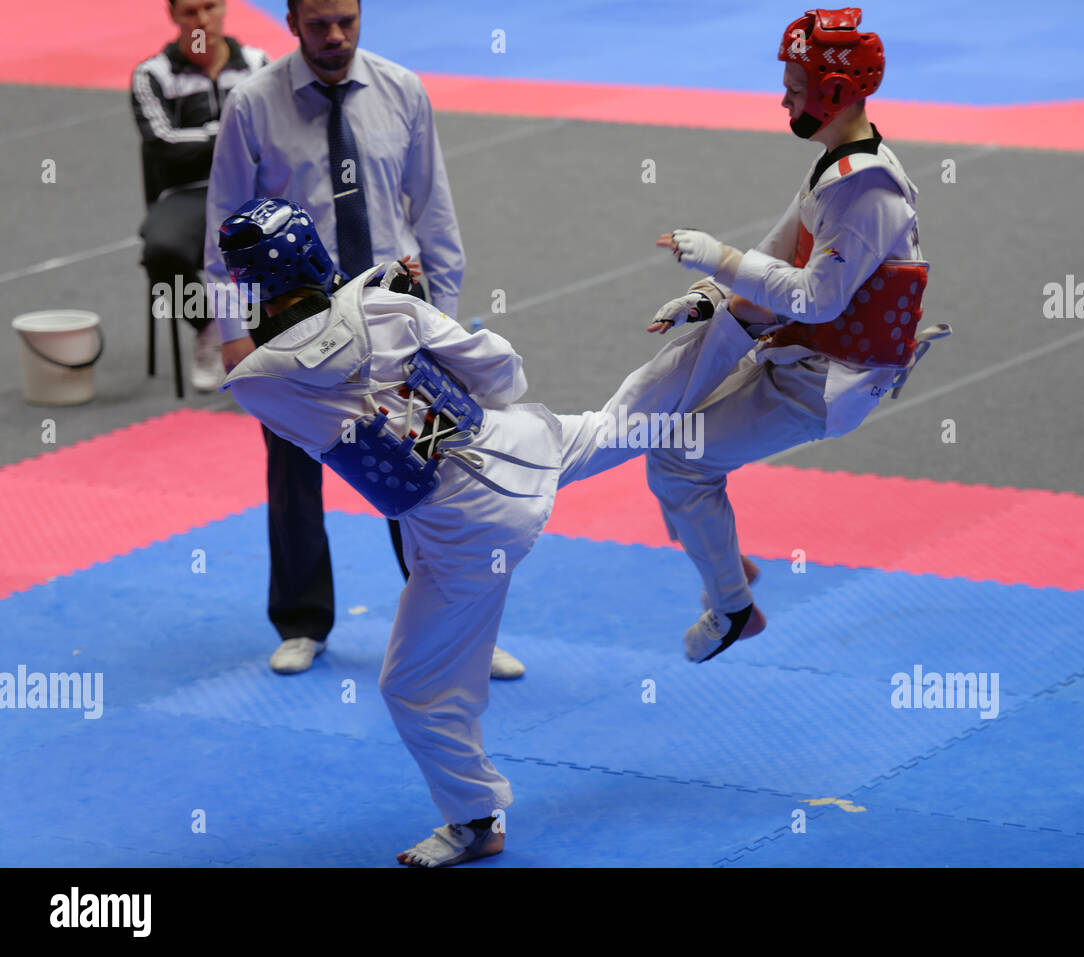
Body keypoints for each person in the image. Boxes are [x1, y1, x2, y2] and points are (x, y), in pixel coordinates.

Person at [216, 197, 756, 866]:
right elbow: (502, 366)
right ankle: (739, 324)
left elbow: (287, 368)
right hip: (517, 448)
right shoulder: (389, 303)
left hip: (464, 531)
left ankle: (476, 819)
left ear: (249, 289)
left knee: (413, 686)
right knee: (629, 412)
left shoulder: (258, 384)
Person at [203, 0, 524, 678]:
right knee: (293, 475)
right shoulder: (252, 105)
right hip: (291, 323)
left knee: (428, 476)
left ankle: (457, 621)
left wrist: (440, 319)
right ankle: (302, 620)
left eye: (347, 20)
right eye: (319, 23)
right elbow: (223, 225)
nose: (335, 36)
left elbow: (434, 212)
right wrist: (233, 330)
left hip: (391, 313)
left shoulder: (402, 89)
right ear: (290, 21)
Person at [645, 7, 951, 663]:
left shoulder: (865, 188)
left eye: (795, 82)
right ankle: (725, 565)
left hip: (827, 383)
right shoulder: (834, 167)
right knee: (661, 429)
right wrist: (706, 298)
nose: (783, 95)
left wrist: (716, 257)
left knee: (675, 459)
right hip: (796, 356)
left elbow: (817, 297)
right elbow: (773, 254)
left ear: (834, 92)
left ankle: (732, 609)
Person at [132, 0, 270, 392]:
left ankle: (271, 337)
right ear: (173, 15)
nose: (202, 20)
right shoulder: (152, 75)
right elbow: (162, 143)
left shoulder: (259, 65)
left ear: (225, 6)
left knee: (296, 236)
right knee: (158, 250)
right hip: (188, 193)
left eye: (210, 7)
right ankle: (211, 326)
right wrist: (231, 133)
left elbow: (275, 133)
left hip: (250, 190)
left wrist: (208, 137)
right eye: (191, 12)